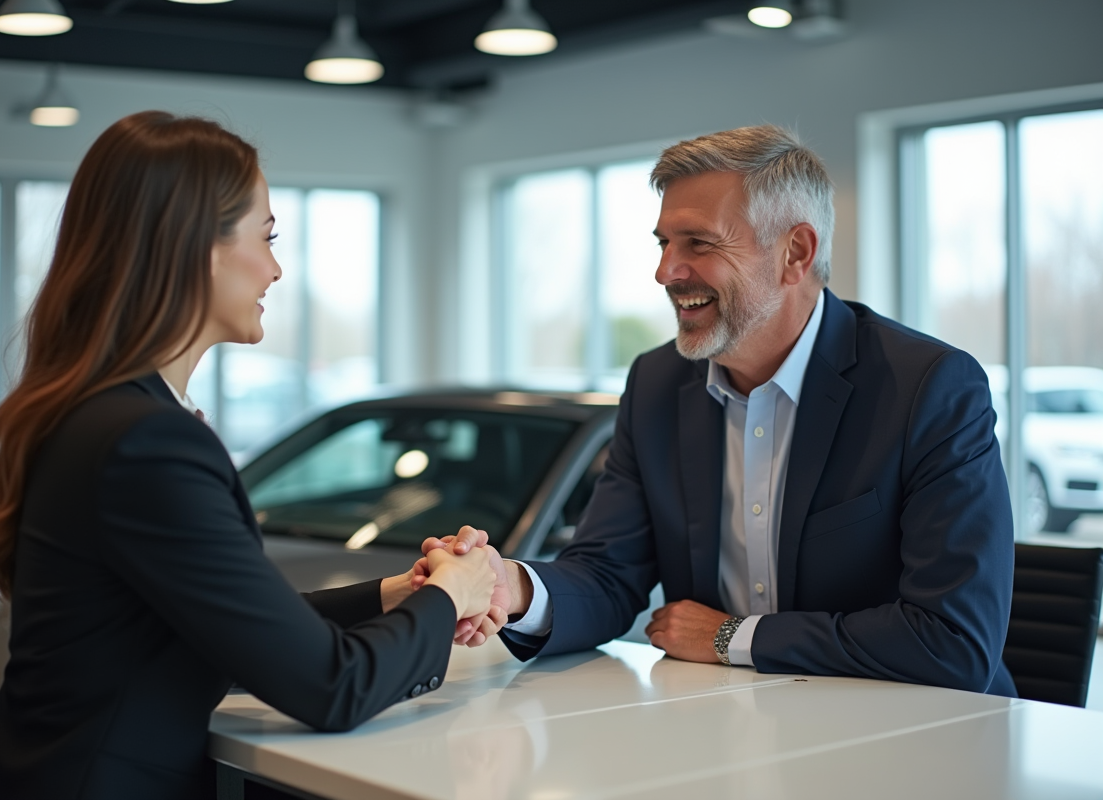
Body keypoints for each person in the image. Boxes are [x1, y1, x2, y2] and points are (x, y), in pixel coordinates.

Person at [0, 111, 501, 800]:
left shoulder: (105, 414)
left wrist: (401, 594)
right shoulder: (146, 441)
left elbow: (227, 624)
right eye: (266, 237)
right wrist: (454, 597)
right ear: (192, 248)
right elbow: (331, 687)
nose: (275, 268)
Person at [420, 124, 1016, 696]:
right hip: (723, 727)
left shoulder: (928, 387)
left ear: (795, 253)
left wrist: (732, 637)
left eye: (698, 243)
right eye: (664, 244)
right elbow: (607, 574)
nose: (665, 272)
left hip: (921, 737)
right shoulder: (656, 382)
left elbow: (952, 643)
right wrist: (514, 587)